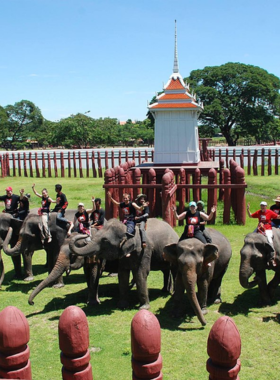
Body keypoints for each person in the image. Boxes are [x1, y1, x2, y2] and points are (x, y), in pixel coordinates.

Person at [247, 201, 280, 266]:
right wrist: (248, 209)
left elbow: (277, 217)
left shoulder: (269, 212)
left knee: (269, 238)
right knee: (251, 236)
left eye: (264, 205)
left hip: (267, 227)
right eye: (262, 205)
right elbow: (250, 216)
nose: (263, 207)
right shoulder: (258, 212)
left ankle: (272, 253)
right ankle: (250, 250)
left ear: (266, 206)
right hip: (260, 227)